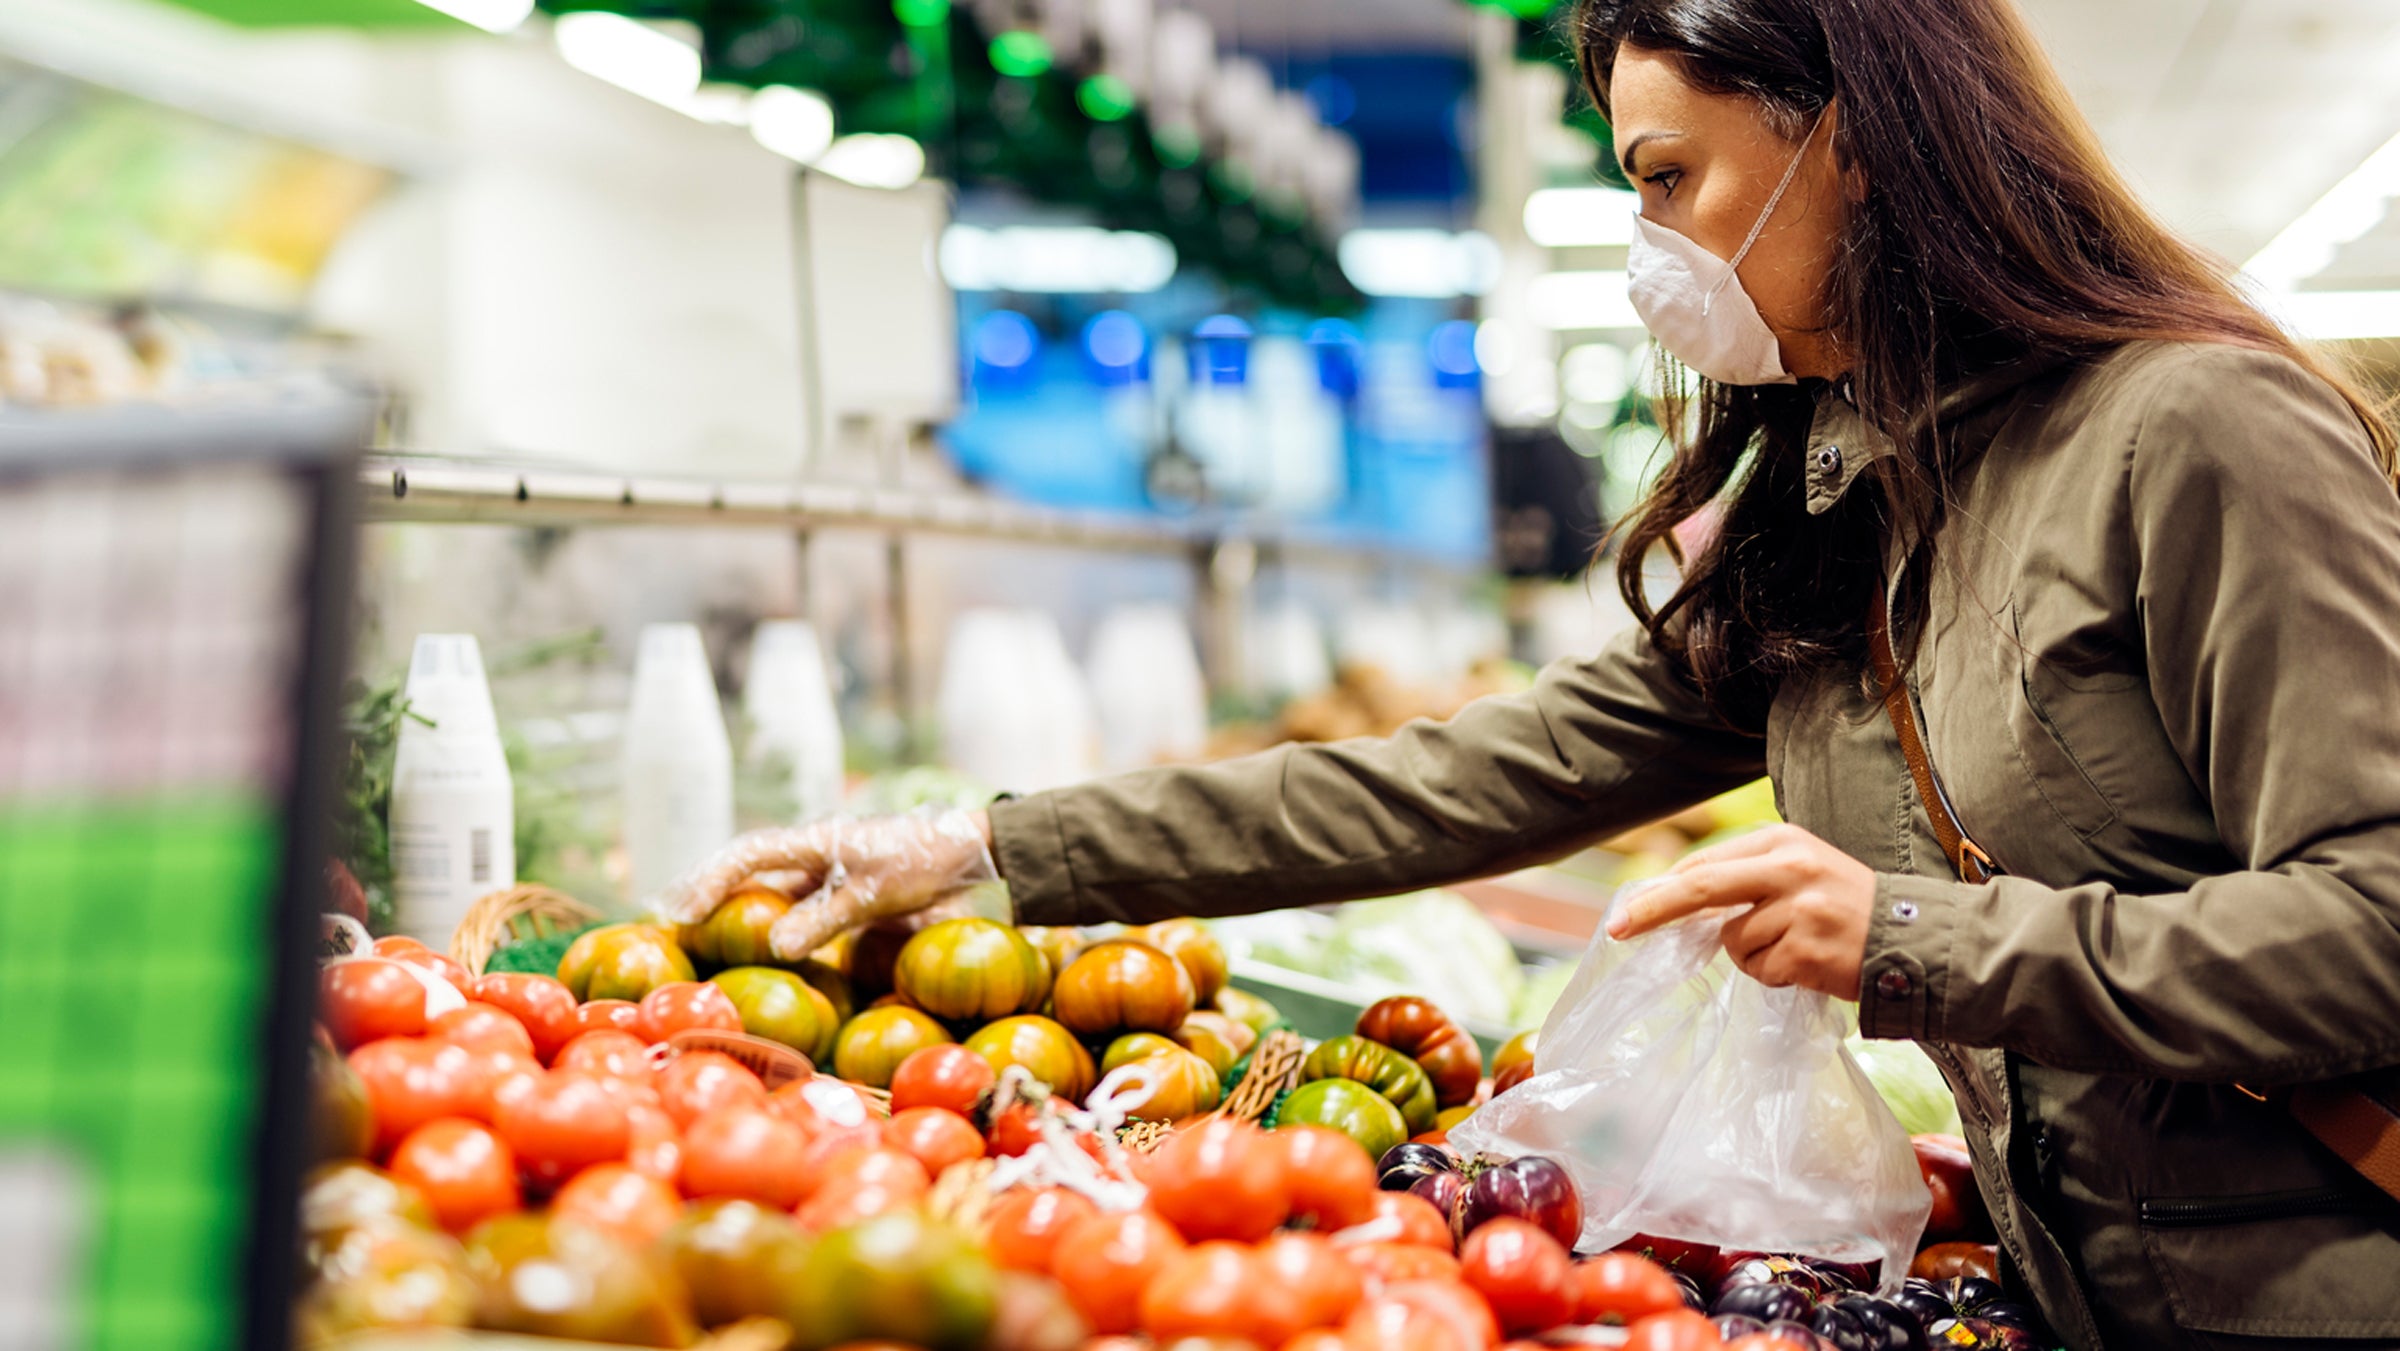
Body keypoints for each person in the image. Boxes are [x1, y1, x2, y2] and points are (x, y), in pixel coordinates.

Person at [663, 0, 2400, 1344]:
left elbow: (2380, 921)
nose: (1652, 241)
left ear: (1855, 142)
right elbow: (1468, 774)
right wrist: (983, 846)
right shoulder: (1848, 492)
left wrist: (1911, 939)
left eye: (1669, 177)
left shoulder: (2194, 429)